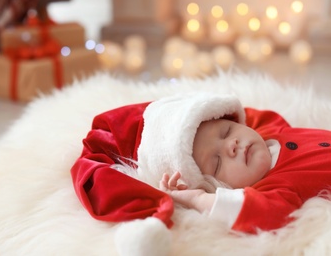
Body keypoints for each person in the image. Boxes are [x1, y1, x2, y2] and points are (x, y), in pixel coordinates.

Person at [71, 91, 331, 234]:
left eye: (227, 131)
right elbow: (260, 213)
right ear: (220, 186)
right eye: (217, 163)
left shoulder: (273, 130)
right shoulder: (275, 188)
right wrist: (197, 199)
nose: (232, 146)